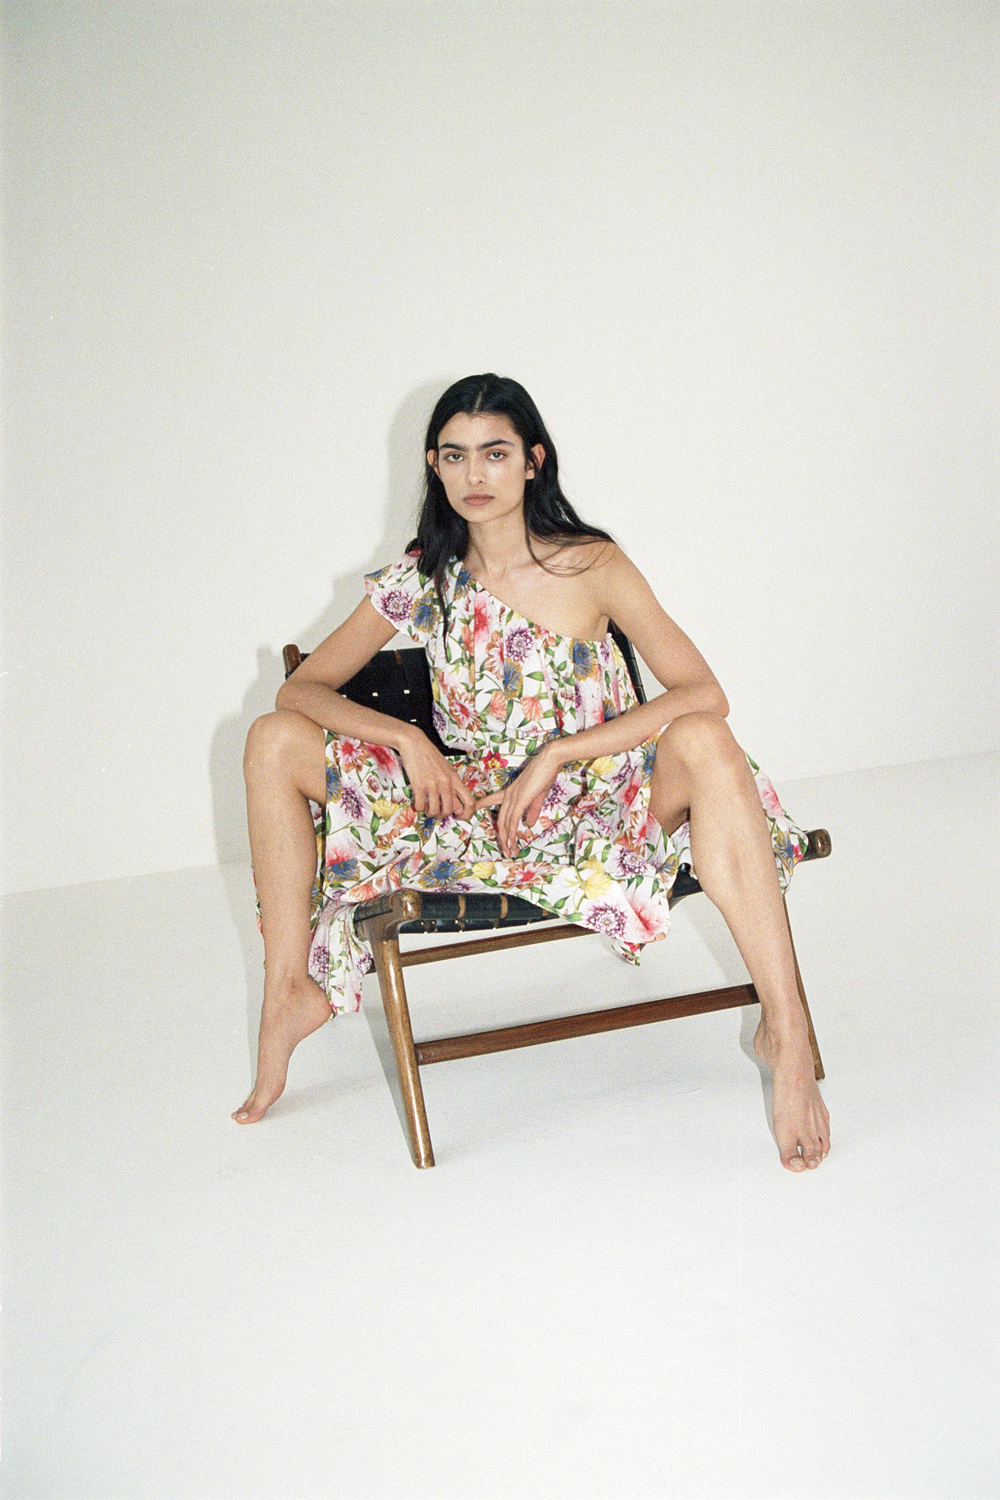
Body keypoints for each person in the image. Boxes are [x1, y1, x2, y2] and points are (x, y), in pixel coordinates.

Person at [235, 374, 830, 1172]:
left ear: (532, 462)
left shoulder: (592, 564)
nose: (474, 474)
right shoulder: (422, 576)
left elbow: (703, 692)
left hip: (604, 798)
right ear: (434, 466)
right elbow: (301, 690)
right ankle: (289, 992)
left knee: (705, 740)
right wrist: (410, 742)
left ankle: (785, 1030)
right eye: (455, 456)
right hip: (482, 812)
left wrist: (558, 753)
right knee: (273, 738)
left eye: (495, 453)